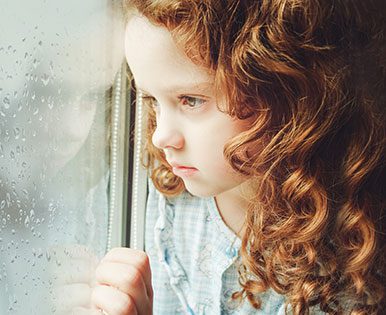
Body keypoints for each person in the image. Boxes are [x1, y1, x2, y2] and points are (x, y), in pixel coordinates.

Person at [91, 0, 386, 314]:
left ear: (283, 90)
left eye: (190, 100)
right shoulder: (170, 194)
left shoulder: (350, 242)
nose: (160, 136)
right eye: (153, 100)